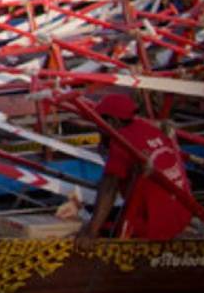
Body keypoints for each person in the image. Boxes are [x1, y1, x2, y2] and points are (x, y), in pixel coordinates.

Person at [81, 95, 194, 241]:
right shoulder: (150, 129)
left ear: (112, 122)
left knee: (99, 224)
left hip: (154, 225)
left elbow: (109, 189)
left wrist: (91, 231)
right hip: (181, 215)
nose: (99, 130)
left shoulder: (122, 141)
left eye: (100, 125)